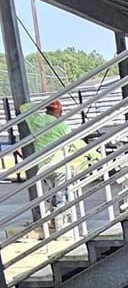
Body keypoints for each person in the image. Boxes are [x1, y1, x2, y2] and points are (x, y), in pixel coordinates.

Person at [28, 98, 73, 234]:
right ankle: (60, 224)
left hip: (43, 167)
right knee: (61, 195)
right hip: (59, 165)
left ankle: (48, 221)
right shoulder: (62, 125)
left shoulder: (35, 121)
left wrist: (41, 104)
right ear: (59, 110)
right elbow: (74, 141)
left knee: (49, 193)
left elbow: (24, 107)